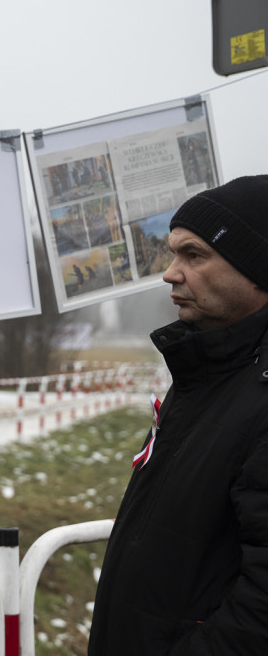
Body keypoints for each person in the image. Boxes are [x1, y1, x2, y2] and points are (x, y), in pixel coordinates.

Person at [89, 175, 268, 654]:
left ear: (257, 268)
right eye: (172, 255)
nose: (170, 273)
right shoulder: (206, 373)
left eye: (193, 255)